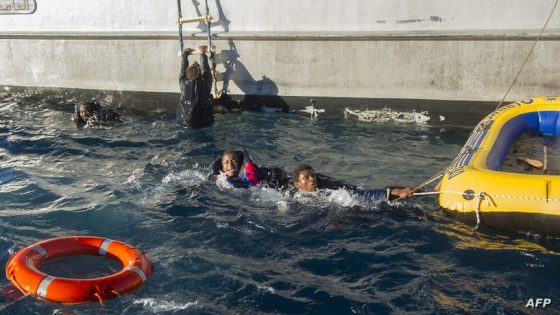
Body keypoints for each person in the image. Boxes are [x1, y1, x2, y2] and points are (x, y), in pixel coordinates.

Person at [292, 164, 413, 201]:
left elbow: (357, 195)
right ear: (298, 185)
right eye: (306, 178)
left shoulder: (327, 187)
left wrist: (395, 192)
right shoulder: (295, 197)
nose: (312, 179)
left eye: (312, 175)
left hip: (359, 195)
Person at [177, 45, 214, 128]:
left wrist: (185, 55)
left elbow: (183, 70)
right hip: (204, 123)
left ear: (187, 75)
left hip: (184, 122)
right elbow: (206, 69)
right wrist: (202, 54)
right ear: (200, 74)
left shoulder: (183, 83)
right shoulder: (205, 83)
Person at [211, 150, 288, 189]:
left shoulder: (249, 172)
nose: (230, 165)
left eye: (234, 161)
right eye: (226, 162)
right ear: (222, 167)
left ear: (239, 163)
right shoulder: (222, 180)